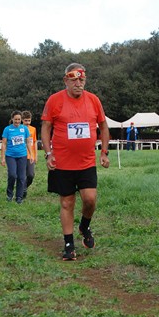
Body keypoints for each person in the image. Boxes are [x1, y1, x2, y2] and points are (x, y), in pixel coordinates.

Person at [41, 62, 110, 261]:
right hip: (62, 163)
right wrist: (48, 153)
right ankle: (69, 244)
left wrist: (104, 152)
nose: (79, 83)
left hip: (86, 162)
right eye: (74, 79)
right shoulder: (55, 101)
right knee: (67, 202)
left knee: (90, 199)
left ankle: (84, 226)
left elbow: (103, 127)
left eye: (82, 79)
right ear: (66, 80)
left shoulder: (94, 100)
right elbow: (46, 128)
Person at [1, 110, 34, 204]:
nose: (17, 121)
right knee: (12, 175)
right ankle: (9, 194)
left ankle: (19, 197)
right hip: (10, 156)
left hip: (22, 155)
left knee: (21, 177)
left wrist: (31, 154)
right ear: (12, 119)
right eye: (15, 119)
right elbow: (3, 144)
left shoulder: (24, 129)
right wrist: (2, 158)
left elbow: (28, 142)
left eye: (19, 119)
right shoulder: (7, 129)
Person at [21, 110, 38, 199]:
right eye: (25, 120)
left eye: (29, 120)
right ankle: (22, 191)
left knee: (31, 175)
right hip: (21, 155)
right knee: (22, 175)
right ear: (22, 120)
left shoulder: (33, 129)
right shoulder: (19, 129)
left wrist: (35, 155)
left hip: (30, 155)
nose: (27, 122)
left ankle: (24, 188)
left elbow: (34, 142)